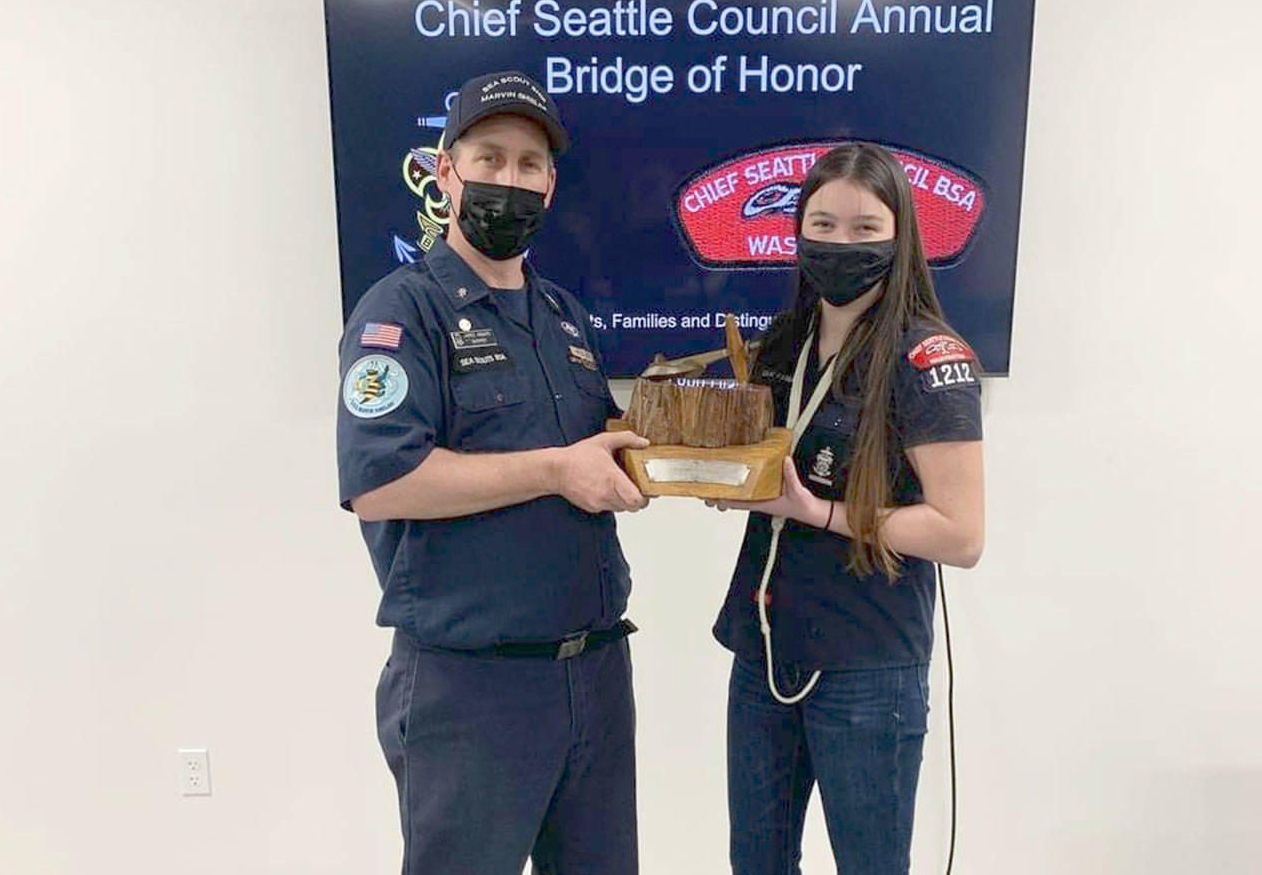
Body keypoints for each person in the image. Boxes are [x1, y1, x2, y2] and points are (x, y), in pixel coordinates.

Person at [336, 70, 649, 875]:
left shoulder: (565, 317)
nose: (507, 180)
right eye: (488, 158)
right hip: (470, 690)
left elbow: (585, 457)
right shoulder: (401, 312)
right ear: (447, 172)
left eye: (527, 164)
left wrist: (666, 460)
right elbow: (382, 480)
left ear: (550, 183)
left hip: (595, 677)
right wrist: (556, 469)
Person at [708, 142, 985, 875]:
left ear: (901, 238)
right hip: (764, 646)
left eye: (865, 229)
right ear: (797, 232)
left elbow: (960, 534)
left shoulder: (929, 357)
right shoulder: (782, 343)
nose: (839, 244)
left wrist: (819, 512)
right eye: (822, 225)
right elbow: (767, 463)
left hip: (867, 667)